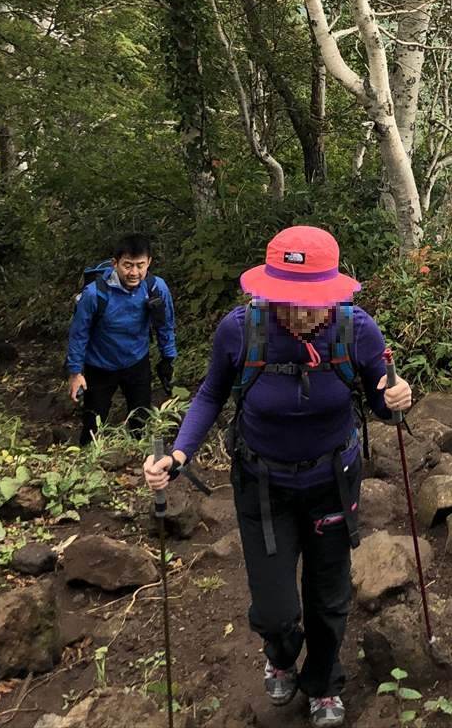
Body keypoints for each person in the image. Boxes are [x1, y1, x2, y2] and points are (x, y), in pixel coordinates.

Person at [143, 225, 411, 728]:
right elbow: (210, 395)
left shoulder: (357, 329)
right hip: (263, 485)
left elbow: (382, 399)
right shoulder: (240, 329)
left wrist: (396, 398)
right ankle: (281, 652)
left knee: (329, 596)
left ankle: (324, 682)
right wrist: (177, 456)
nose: (303, 312)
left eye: (313, 301)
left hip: (332, 479)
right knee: (275, 609)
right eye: (289, 300)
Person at [67, 233, 178, 445]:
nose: (134, 272)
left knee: (142, 421)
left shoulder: (156, 287)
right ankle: (85, 465)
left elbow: (165, 324)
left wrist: (168, 358)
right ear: (115, 263)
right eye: (127, 265)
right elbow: (78, 333)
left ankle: (144, 466)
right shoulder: (95, 294)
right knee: (92, 423)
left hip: (137, 362)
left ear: (149, 263)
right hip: (99, 365)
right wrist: (75, 373)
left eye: (140, 265)